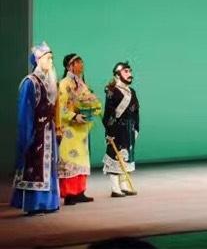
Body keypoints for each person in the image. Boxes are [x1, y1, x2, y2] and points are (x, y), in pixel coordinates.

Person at [11, 42, 61, 215]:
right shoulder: (30, 82)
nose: (51, 62)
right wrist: (28, 136)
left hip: (48, 131)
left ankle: (48, 203)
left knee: (49, 166)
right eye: (48, 58)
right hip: (36, 132)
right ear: (38, 60)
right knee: (35, 167)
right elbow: (25, 112)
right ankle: (35, 204)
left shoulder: (50, 82)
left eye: (52, 58)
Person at [57, 53, 99, 204]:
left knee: (82, 160)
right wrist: (74, 116)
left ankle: (80, 191)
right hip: (70, 128)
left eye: (82, 62)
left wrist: (93, 108)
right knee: (70, 159)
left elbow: (88, 101)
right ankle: (69, 194)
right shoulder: (63, 84)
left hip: (81, 128)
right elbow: (60, 107)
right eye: (78, 62)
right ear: (69, 66)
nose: (81, 65)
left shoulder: (82, 84)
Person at [103, 61, 140, 197]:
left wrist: (136, 128)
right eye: (126, 71)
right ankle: (115, 188)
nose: (130, 74)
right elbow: (109, 113)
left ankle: (124, 185)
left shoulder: (132, 91)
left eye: (130, 71)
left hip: (129, 130)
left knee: (127, 157)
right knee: (115, 156)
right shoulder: (112, 91)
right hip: (116, 129)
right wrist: (110, 131)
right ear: (117, 75)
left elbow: (136, 112)